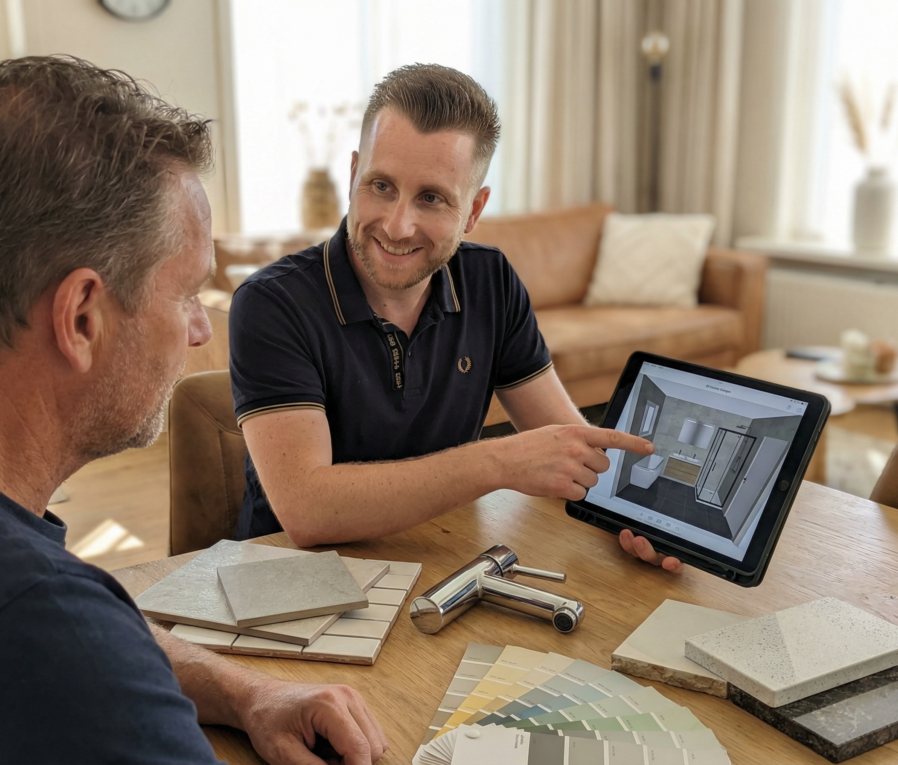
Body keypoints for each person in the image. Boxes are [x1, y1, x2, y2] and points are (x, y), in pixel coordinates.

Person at [0, 56, 386, 765]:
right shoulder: (39, 630)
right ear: (83, 317)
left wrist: (244, 688)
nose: (200, 331)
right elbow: (53, 633)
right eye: (187, 294)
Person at [229, 63, 682, 572]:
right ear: (354, 173)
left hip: (445, 562)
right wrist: (497, 462)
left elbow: (567, 444)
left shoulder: (491, 281)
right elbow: (307, 511)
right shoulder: (271, 303)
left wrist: (642, 519)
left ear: (473, 210)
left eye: (431, 198)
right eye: (381, 186)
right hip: (292, 585)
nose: (398, 225)